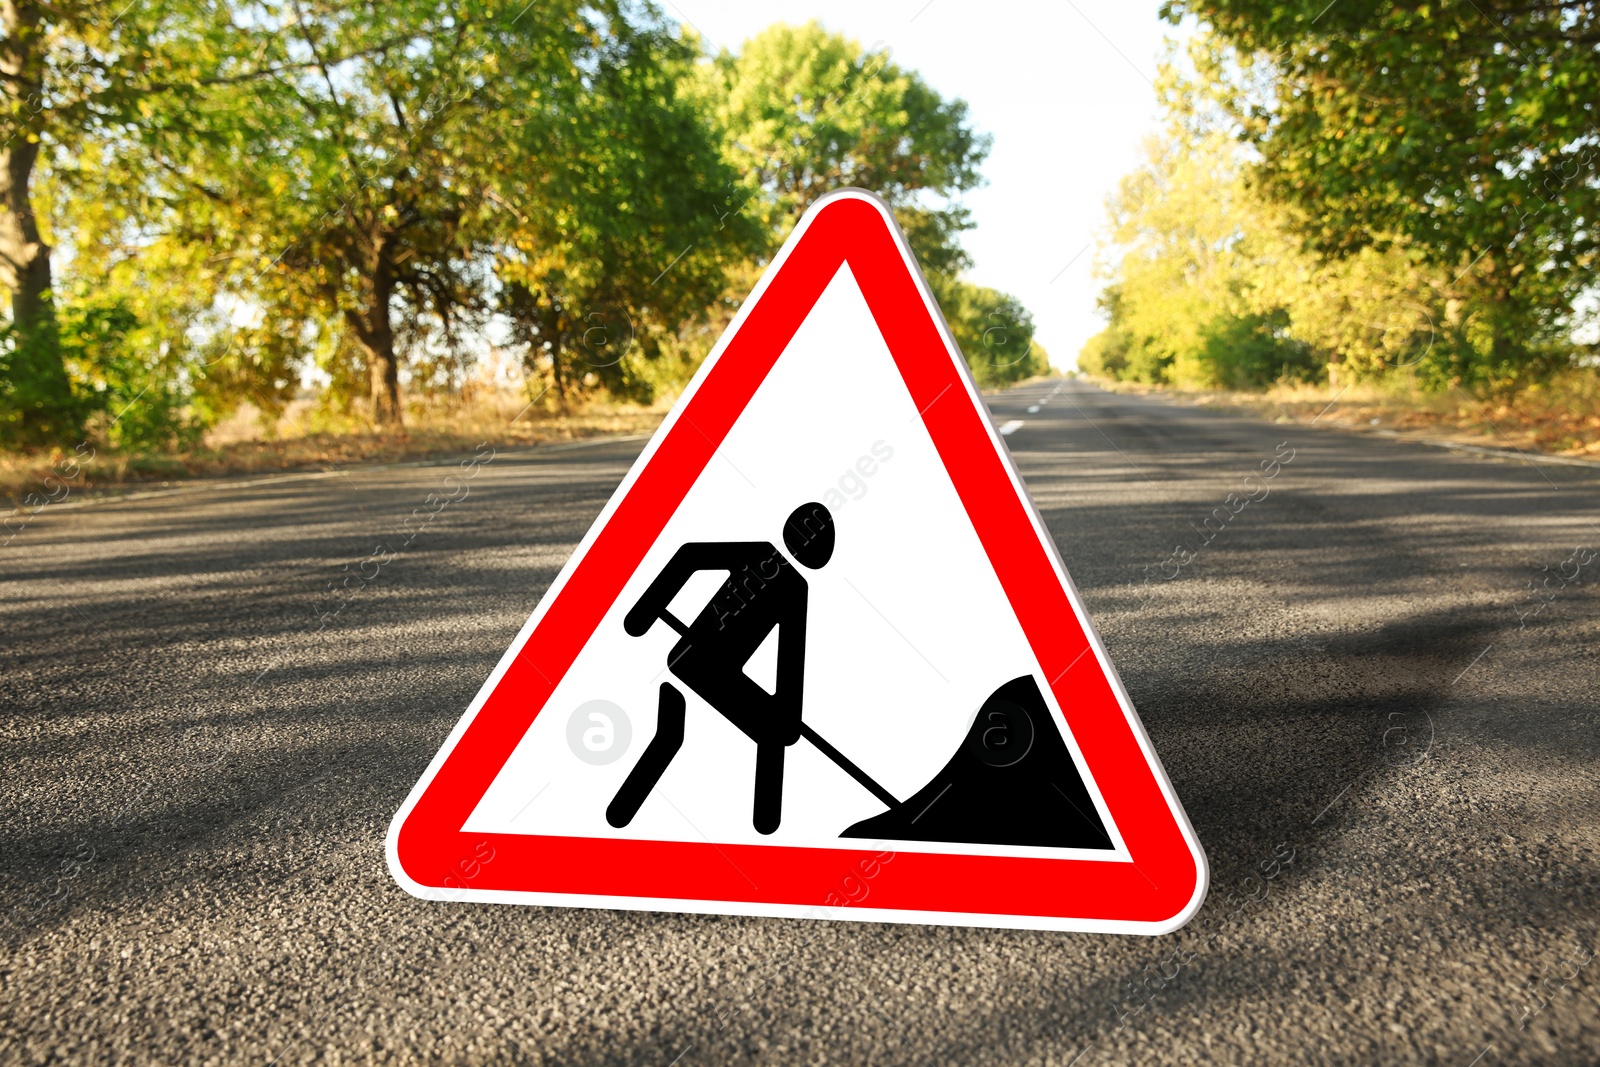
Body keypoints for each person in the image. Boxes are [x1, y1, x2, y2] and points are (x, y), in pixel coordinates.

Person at [606, 502, 835, 834]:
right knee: (679, 734)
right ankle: (764, 823)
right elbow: (690, 557)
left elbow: (790, 655)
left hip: (706, 667)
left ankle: (765, 823)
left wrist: (645, 612)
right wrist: (643, 613)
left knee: (764, 731)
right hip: (700, 663)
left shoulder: (788, 581)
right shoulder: (769, 564)